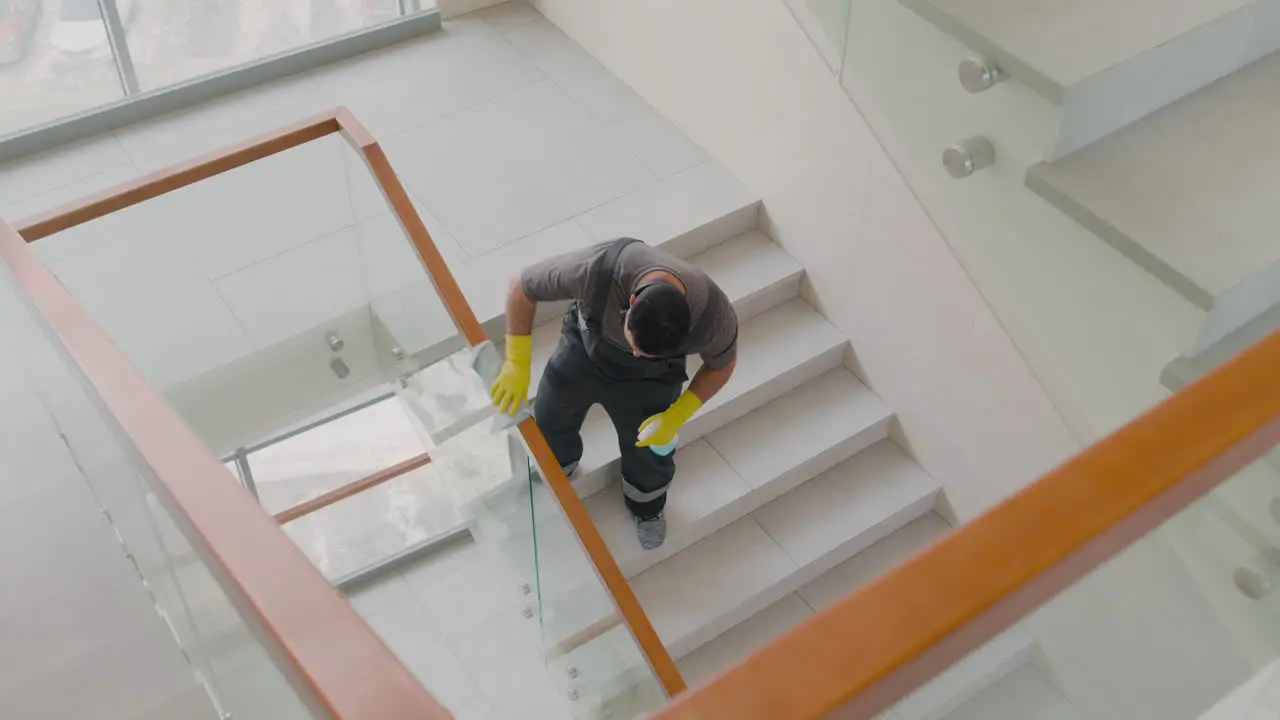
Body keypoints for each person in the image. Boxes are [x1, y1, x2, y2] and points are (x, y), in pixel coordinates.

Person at [490, 237, 739, 550]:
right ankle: (557, 465)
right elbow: (521, 287)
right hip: (583, 349)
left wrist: (678, 414)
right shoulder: (597, 268)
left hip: (652, 382)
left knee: (648, 452)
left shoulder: (712, 315)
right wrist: (516, 361)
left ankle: (646, 506)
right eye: (636, 345)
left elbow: (722, 366)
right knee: (551, 414)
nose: (635, 354)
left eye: (645, 351)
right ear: (631, 302)